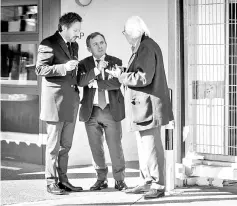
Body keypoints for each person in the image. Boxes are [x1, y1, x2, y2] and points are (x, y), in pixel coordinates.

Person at [106, 16, 174, 199]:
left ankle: (158, 185)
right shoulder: (144, 46)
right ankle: (147, 182)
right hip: (144, 107)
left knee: (151, 147)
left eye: (125, 32)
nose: (125, 36)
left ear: (133, 32)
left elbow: (143, 77)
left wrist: (122, 77)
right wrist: (123, 73)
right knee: (145, 147)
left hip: (148, 108)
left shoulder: (146, 47)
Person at [35, 12, 83, 195]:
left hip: (71, 102)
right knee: (53, 146)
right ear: (64, 27)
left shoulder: (75, 45)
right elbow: (40, 69)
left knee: (66, 146)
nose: (78, 33)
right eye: (75, 29)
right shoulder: (48, 43)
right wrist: (64, 67)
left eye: (79, 30)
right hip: (55, 103)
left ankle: (63, 181)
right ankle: (50, 182)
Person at [77, 32, 128, 191]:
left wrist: (96, 84)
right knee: (96, 148)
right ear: (89, 48)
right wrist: (97, 71)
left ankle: (119, 180)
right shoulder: (83, 64)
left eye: (102, 42)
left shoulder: (115, 61)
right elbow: (81, 81)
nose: (100, 46)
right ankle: (101, 179)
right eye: (95, 44)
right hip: (91, 111)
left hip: (111, 110)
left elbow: (116, 84)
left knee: (115, 147)